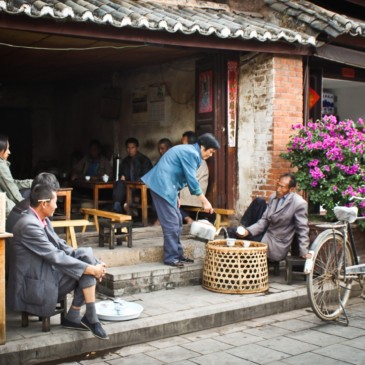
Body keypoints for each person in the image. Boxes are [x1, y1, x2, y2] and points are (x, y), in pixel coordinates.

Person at [7, 183, 109, 339]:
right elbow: (55, 256)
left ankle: (84, 316)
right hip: (33, 286)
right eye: (55, 202)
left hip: (45, 272)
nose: (56, 206)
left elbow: (61, 246)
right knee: (85, 268)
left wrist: (94, 264)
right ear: (44, 204)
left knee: (86, 256)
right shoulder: (28, 225)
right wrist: (91, 269)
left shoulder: (41, 219)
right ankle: (85, 317)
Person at [142, 133, 220, 267]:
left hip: (168, 187)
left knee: (177, 221)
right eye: (211, 151)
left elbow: (177, 173)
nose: (211, 155)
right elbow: (192, 181)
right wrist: (205, 202)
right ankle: (171, 257)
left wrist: (177, 195)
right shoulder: (192, 153)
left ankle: (178, 255)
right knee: (171, 223)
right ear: (203, 147)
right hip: (162, 186)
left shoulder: (191, 153)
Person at [236, 173, 310, 261]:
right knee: (235, 233)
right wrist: (248, 231)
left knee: (244, 242)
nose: (278, 189)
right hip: (266, 235)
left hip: (277, 245)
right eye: (278, 185)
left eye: (282, 187)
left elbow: (302, 229)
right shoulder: (273, 197)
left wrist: (304, 251)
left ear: (291, 189)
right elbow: (264, 220)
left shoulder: (299, 203)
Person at [113, 137, 153, 213]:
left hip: (140, 188)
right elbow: (121, 174)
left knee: (136, 187)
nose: (130, 150)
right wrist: (122, 176)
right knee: (119, 183)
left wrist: (134, 183)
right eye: (128, 148)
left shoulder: (144, 160)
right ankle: (117, 206)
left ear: (137, 148)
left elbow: (146, 177)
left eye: (132, 148)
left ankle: (131, 208)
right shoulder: (125, 161)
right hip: (127, 187)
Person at [179, 131, 209, 224]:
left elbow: (190, 180)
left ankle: (187, 218)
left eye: (183, 142)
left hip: (192, 193)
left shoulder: (197, 158)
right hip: (187, 191)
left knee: (167, 197)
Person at [0, 134, 32, 216]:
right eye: (6, 149)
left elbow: (11, 182)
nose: (9, 152)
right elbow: (11, 189)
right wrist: (26, 208)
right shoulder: (1, 165)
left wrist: (31, 183)